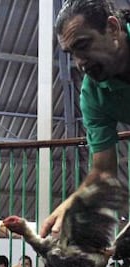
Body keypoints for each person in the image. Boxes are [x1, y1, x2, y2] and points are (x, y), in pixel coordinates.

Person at [40, 0, 130, 238]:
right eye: (72, 53)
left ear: (112, 28)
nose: (79, 63)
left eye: (83, 45)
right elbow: (103, 171)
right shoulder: (93, 95)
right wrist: (76, 202)